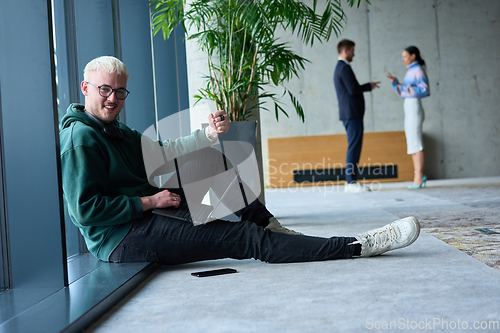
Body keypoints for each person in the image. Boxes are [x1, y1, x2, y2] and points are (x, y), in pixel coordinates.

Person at [60, 55, 420, 266]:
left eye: (119, 91)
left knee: (213, 165)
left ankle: (274, 229)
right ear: (85, 88)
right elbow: (85, 211)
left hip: (149, 211)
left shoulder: (115, 130)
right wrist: (149, 201)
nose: (112, 98)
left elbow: (163, 149)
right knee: (245, 239)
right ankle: (357, 245)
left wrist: (208, 136)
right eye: (104, 90)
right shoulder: (81, 137)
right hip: (123, 237)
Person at [333, 39, 380, 193]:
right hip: (352, 114)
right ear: (345, 50)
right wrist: (369, 86)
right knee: (354, 147)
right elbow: (353, 89)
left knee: (354, 146)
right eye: (352, 51)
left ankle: (351, 181)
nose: (354, 54)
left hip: (350, 114)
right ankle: (351, 182)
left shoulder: (340, 67)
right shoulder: (344, 68)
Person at [387, 46, 430, 189]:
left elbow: (424, 90)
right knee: (412, 142)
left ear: (413, 56)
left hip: (414, 108)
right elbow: (403, 92)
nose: (403, 59)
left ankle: (420, 175)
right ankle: (417, 174)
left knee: (416, 141)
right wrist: (396, 83)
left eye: (405, 56)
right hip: (409, 107)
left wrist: (403, 87)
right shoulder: (410, 71)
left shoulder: (418, 70)